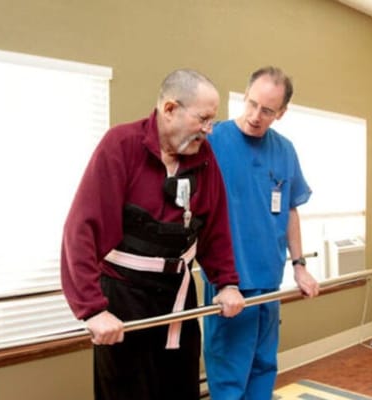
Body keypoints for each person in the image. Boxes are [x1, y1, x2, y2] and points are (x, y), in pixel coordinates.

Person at [60, 68, 245, 400]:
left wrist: (227, 282)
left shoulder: (204, 158)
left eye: (211, 121)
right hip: (123, 296)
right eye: (202, 119)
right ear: (170, 109)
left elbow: (216, 227)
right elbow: (81, 229)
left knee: (178, 388)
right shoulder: (121, 145)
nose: (207, 129)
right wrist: (92, 309)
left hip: (178, 295)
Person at [202, 66, 320, 399]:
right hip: (229, 281)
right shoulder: (213, 140)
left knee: (263, 366)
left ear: (281, 112)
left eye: (267, 110)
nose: (256, 115)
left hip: (269, 278)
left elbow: (291, 210)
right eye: (251, 103)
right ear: (244, 95)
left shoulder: (284, 150)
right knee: (229, 375)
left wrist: (299, 264)